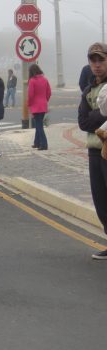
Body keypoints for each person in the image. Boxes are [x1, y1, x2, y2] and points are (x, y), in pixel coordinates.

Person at [78, 42, 107, 259]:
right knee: (100, 201)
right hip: (94, 152)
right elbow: (82, 122)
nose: (96, 65)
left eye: (101, 60)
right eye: (93, 60)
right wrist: (100, 114)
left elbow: (90, 119)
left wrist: (93, 116)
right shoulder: (88, 90)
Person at [28, 64, 51, 151]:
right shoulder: (45, 79)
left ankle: (44, 144)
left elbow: (30, 95)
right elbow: (49, 92)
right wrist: (45, 100)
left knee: (39, 125)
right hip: (43, 105)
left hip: (36, 106)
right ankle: (36, 142)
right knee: (39, 124)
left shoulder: (32, 81)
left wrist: (29, 104)